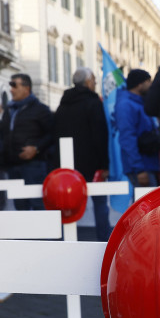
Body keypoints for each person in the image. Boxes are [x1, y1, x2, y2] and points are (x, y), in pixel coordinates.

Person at [54, 67, 111, 240]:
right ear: (88, 83)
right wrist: (104, 165)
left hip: (68, 164)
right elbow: (100, 135)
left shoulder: (63, 105)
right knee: (100, 203)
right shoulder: (93, 103)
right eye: (94, 80)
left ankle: (66, 240)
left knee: (66, 204)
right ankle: (104, 242)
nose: (95, 83)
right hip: (92, 163)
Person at [1, 73, 54, 211]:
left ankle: (43, 233)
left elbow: (53, 134)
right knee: (20, 208)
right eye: (10, 85)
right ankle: (26, 234)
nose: (11, 89)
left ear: (26, 88)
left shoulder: (40, 109)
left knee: (38, 206)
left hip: (34, 167)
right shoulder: (9, 110)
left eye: (15, 85)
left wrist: (36, 148)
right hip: (13, 167)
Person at [117, 69, 160, 187]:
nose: (151, 85)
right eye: (148, 81)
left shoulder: (140, 103)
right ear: (139, 84)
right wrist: (139, 169)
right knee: (147, 203)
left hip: (148, 164)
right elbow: (127, 138)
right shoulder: (126, 105)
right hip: (141, 167)